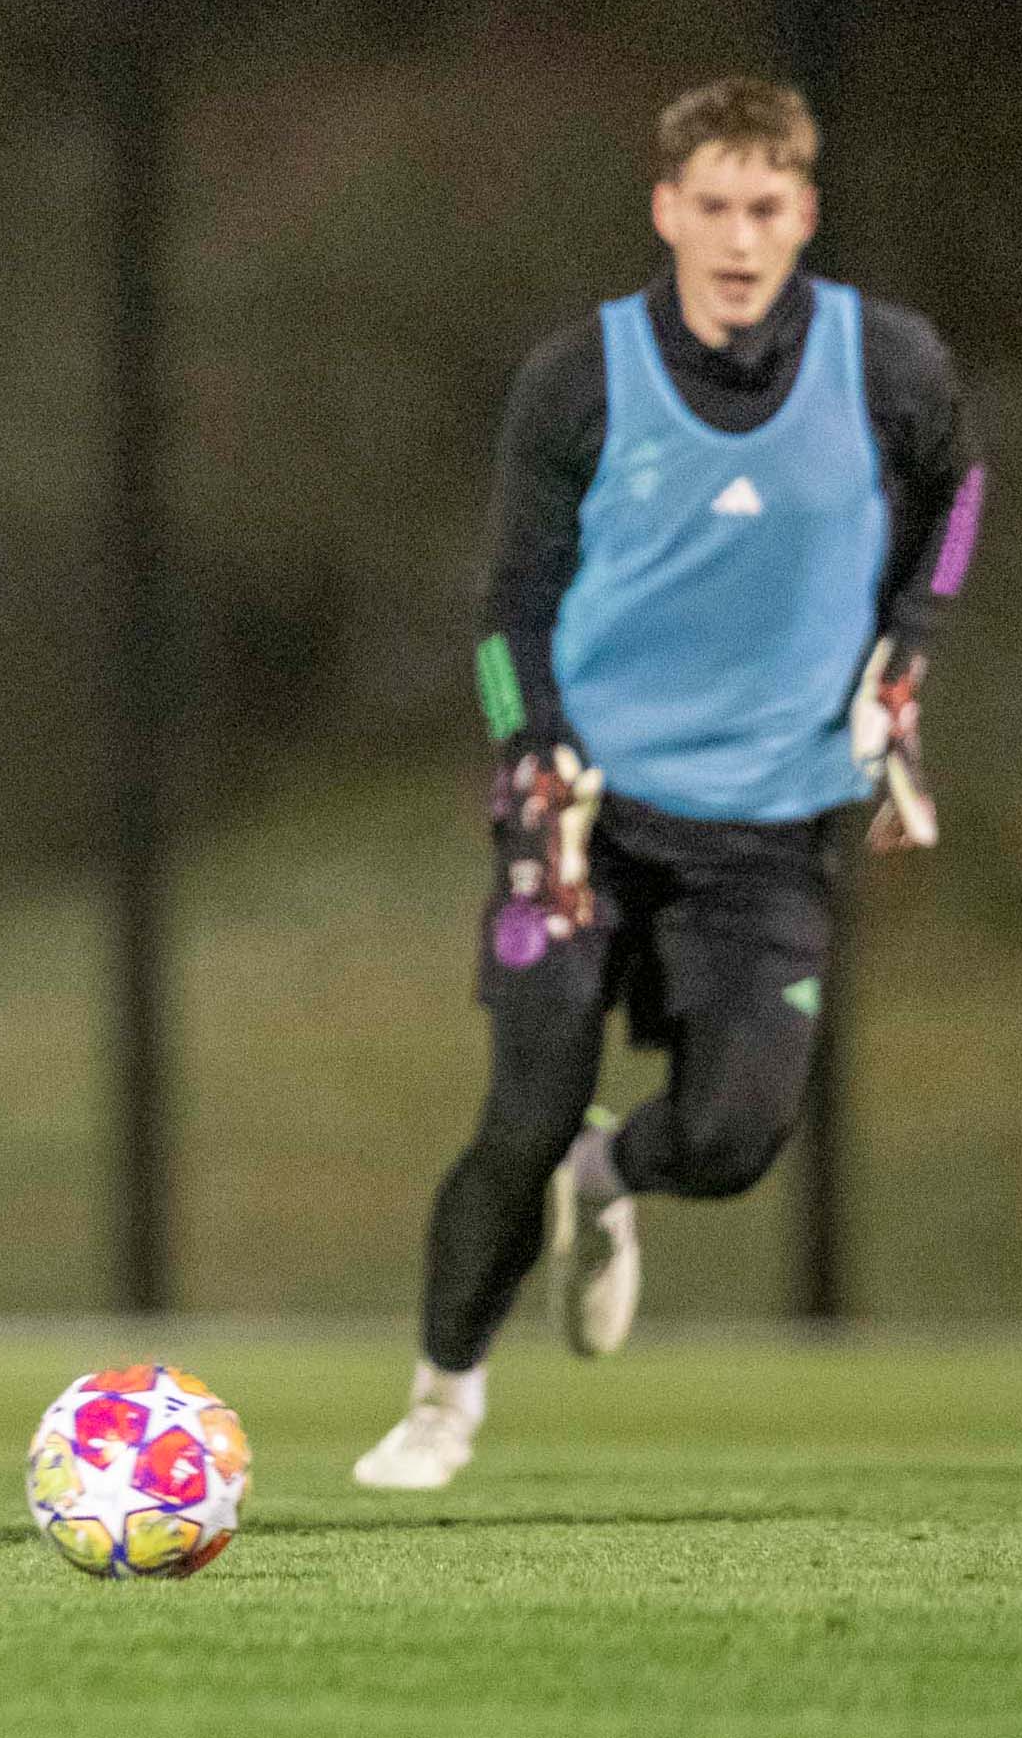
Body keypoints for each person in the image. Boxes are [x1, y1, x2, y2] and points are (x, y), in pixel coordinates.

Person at [354, 78, 983, 1491]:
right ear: (664, 209)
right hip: (586, 818)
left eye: (765, 208)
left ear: (803, 215)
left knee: (733, 1137)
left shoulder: (888, 367)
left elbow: (957, 495)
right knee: (520, 1110)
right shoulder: (576, 381)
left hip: (774, 821)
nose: (738, 237)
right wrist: (534, 755)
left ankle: (613, 1177)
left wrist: (907, 649)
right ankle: (440, 1398)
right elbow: (507, 605)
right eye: (711, 206)